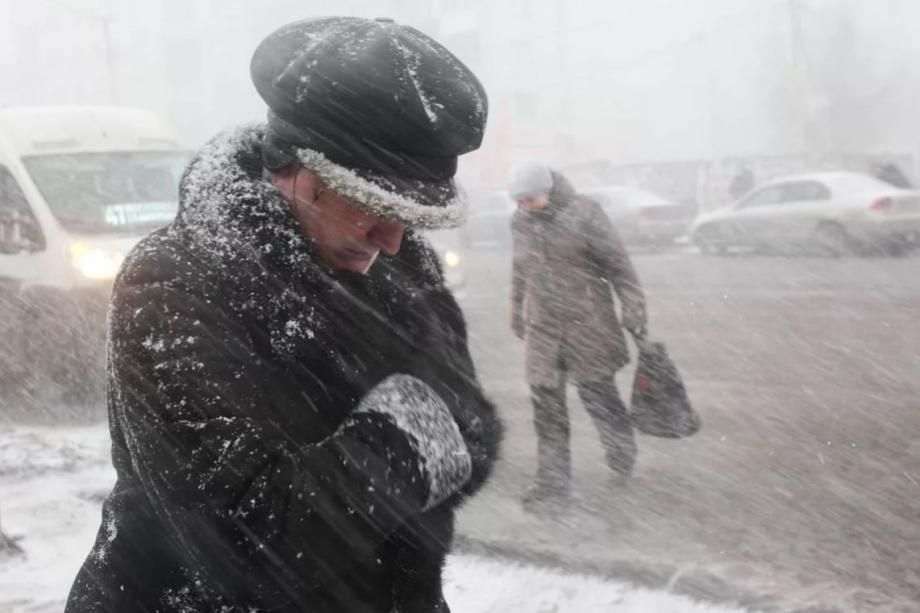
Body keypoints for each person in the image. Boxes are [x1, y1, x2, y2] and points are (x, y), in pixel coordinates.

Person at [65, 17, 501, 613]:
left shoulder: (399, 264)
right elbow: (240, 546)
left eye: (411, 215)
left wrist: (402, 451)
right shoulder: (173, 281)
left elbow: (472, 430)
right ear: (294, 168)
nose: (394, 239)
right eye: (374, 205)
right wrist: (405, 443)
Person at [509, 162, 646, 510]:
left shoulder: (585, 214)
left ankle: (621, 453)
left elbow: (619, 266)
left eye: (530, 199)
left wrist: (633, 309)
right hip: (543, 327)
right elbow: (520, 269)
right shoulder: (521, 221)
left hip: (587, 324)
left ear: (549, 191)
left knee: (598, 396)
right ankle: (552, 482)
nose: (524, 206)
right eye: (519, 201)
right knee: (547, 406)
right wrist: (516, 308)